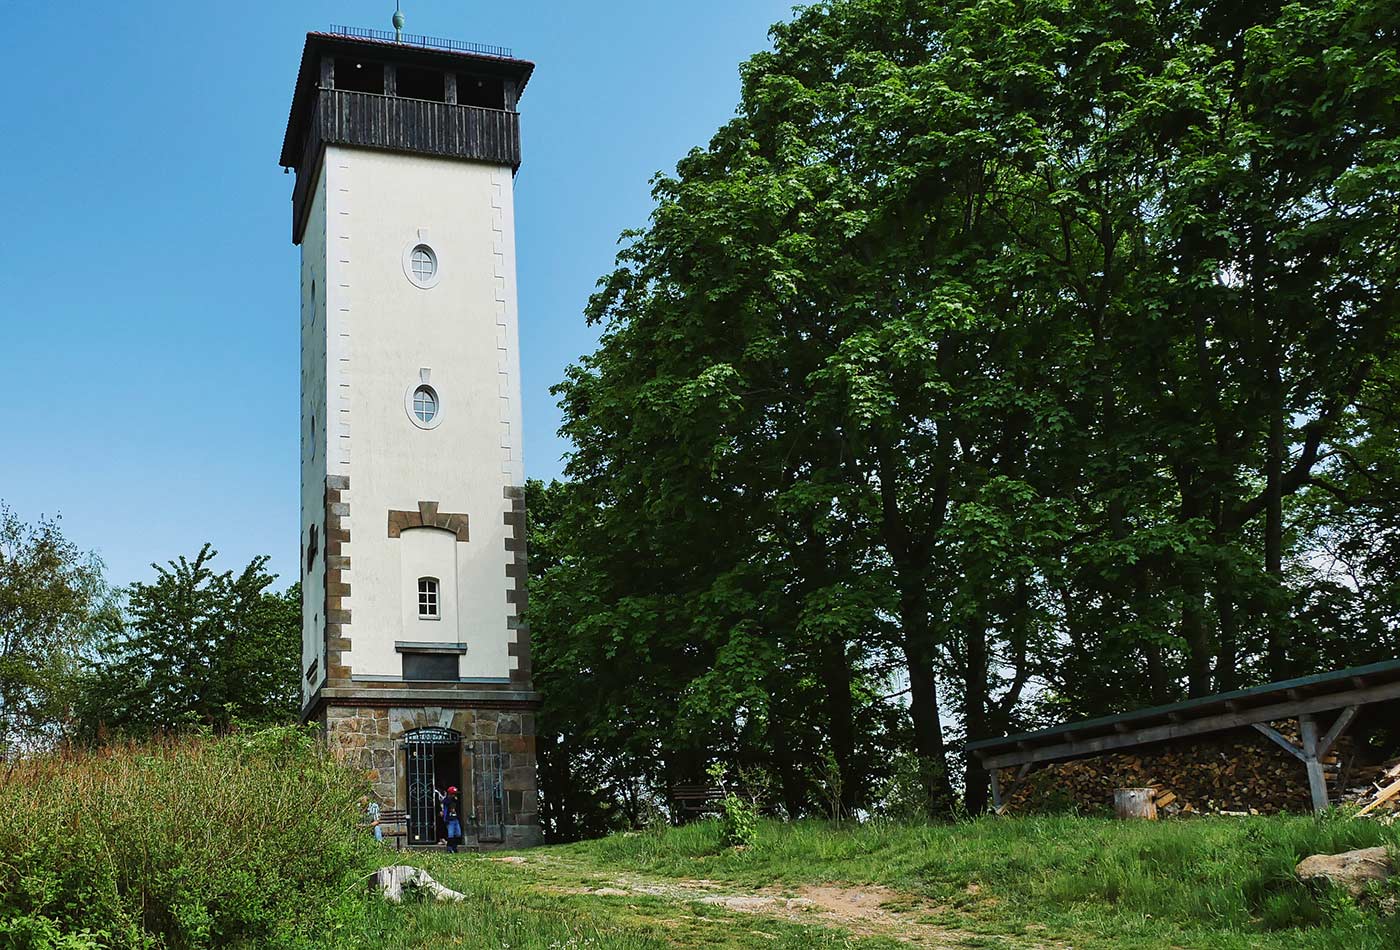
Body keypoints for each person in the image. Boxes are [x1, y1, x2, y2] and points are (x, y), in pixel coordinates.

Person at [441, 785, 463, 853]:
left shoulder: (456, 800)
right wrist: (445, 820)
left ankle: (454, 846)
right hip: (450, 819)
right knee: (451, 834)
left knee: (458, 834)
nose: (455, 795)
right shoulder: (446, 801)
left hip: (455, 819)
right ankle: (450, 847)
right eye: (453, 794)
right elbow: (445, 808)